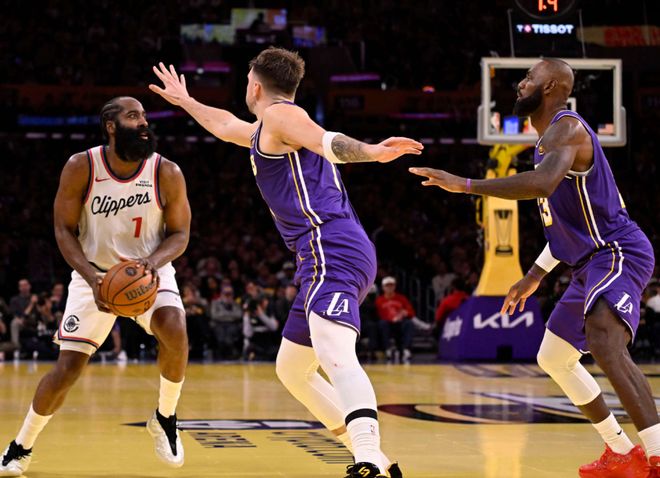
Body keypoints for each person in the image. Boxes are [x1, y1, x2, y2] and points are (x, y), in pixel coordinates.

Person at [150, 47, 422, 477]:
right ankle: (379, 462)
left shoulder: (281, 116)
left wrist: (372, 151)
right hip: (325, 250)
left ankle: (367, 454)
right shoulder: (267, 129)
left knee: (333, 349)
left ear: (256, 86)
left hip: (330, 244)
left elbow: (326, 142)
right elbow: (224, 125)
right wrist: (186, 101)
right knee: (293, 369)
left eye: (246, 81)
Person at [410, 58, 658, 478]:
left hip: (617, 251)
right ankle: (620, 451)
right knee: (554, 356)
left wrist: (466, 185)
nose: (521, 83)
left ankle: (657, 453)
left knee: (604, 340)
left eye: (529, 77)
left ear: (553, 85)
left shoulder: (567, 127)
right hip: (587, 261)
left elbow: (541, 184)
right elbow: (563, 229)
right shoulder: (545, 144)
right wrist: (534, 275)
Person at [0, 96, 192, 475]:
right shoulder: (81, 167)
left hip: (148, 271)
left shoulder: (166, 171)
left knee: (175, 328)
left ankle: (165, 417)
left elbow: (181, 234)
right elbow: (63, 229)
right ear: (111, 125)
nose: (143, 123)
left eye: (144, 116)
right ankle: (21, 446)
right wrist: (92, 278)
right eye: (133, 116)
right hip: (94, 274)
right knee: (67, 370)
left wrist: (151, 264)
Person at [375, 277, 416, 364]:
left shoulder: (401, 298)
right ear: (383, 287)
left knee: (409, 323)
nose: (389, 288)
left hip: (400, 322)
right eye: (387, 286)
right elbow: (378, 315)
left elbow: (411, 312)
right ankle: (387, 349)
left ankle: (406, 349)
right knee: (382, 324)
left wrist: (404, 313)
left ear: (394, 286)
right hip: (387, 323)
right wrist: (391, 319)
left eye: (391, 285)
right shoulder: (379, 300)